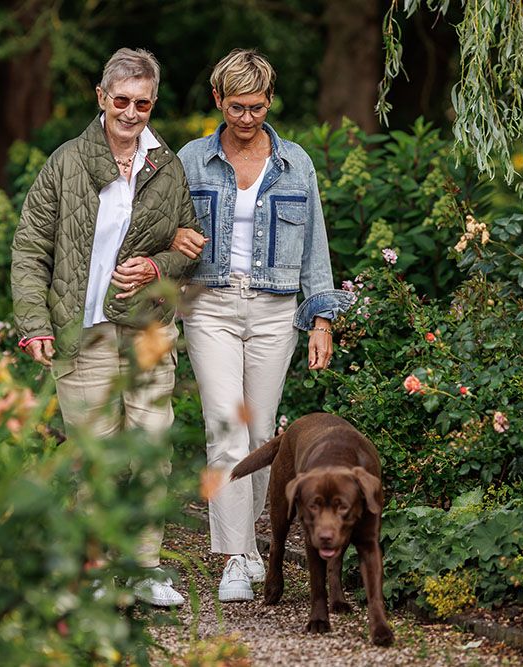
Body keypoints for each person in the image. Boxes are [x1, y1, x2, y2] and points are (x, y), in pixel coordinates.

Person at [11, 48, 201, 607]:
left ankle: (143, 570)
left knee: (150, 449)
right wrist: (34, 322)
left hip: (146, 330)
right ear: (101, 98)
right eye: (121, 100)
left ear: (153, 102)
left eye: (142, 102)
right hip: (82, 329)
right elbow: (29, 249)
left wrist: (158, 266)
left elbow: (186, 244)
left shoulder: (166, 164)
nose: (131, 112)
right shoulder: (66, 162)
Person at [174, 49, 354, 603]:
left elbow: (315, 243)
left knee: (261, 435)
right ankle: (234, 557)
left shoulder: (295, 162)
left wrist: (322, 317)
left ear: (269, 102)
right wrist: (173, 247)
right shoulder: (191, 159)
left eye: (256, 106)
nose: (246, 117)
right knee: (226, 428)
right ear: (217, 101)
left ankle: (252, 547)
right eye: (235, 107)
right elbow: (162, 225)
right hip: (210, 306)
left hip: (276, 310)